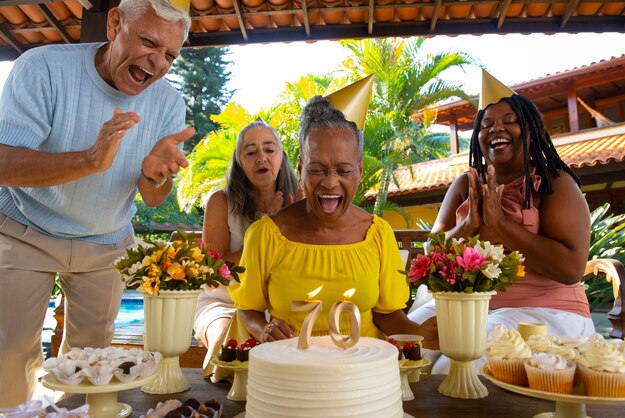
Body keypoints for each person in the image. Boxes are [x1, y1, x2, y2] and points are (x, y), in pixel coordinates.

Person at [0, 0, 194, 406]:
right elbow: (4, 163)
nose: (157, 62)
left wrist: (154, 174)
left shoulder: (169, 104)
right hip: (25, 229)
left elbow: (154, 197)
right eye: (148, 42)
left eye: (169, 55)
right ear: (114, 23)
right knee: (9, 353)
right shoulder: (43, 68)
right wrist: (89, 160)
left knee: (94, 369)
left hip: (105, 242)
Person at [409, 70, 594, 373]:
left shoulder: (553, 183)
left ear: (531, 130)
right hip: (465, 306)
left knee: (456, 366)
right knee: (399, 345)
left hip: (545, 312)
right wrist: (468, 224)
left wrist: (502, 225)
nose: (497, 129)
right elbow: (430, 255)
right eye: (487, 124)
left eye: (509, 121)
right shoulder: (464, 185)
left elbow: (571, 268)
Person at [229, 94, 438, 348]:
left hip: (362, 370)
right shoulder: (266, 235)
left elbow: (387, 314)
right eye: (317, 169)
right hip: (292, 369)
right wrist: (264, 330)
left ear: (359, 171)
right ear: (300, 167)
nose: (330, 182)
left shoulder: (377, 234)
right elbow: (247, 308)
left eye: (343, 170)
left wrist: (422, 335)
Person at [193, 119, 299, 369]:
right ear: (240, 163)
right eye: (251, 152)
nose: (261, 157)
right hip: (224, 302)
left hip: (279, 305)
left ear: (281, 157)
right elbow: (212, 274)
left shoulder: (299, 198)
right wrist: (268, 224)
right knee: (228, 346)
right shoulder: (221, 202)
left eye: (269, 150)